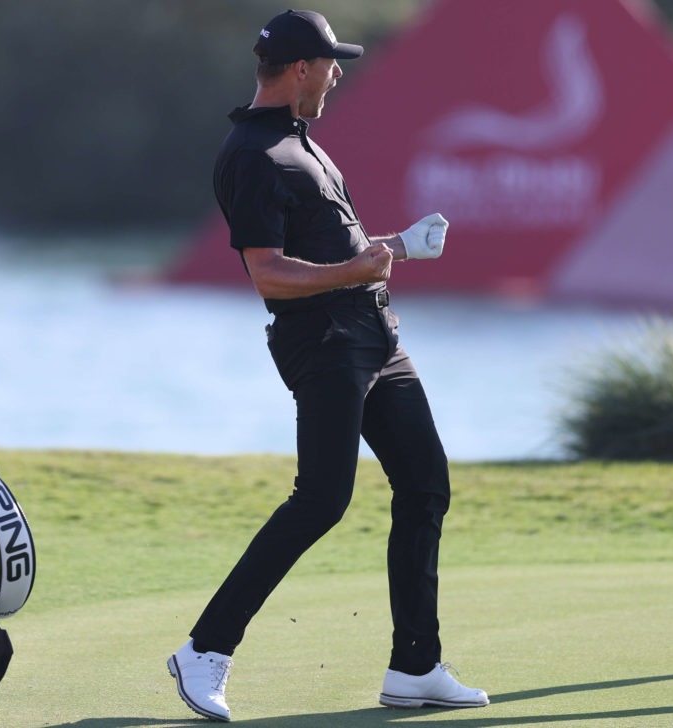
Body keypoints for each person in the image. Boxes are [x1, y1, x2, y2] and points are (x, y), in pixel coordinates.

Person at [165, 9, 488, 722]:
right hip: (325, 345)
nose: (340, 75)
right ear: (301, 70)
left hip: (376, 338)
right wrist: (356, 268)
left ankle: (416, 665)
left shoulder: (301, 143)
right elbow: (270, 275)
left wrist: (396, 246)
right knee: (322, 499)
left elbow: (332, 250)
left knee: (426, 486)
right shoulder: (250, 153)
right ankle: (204, 652)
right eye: (331, 63)